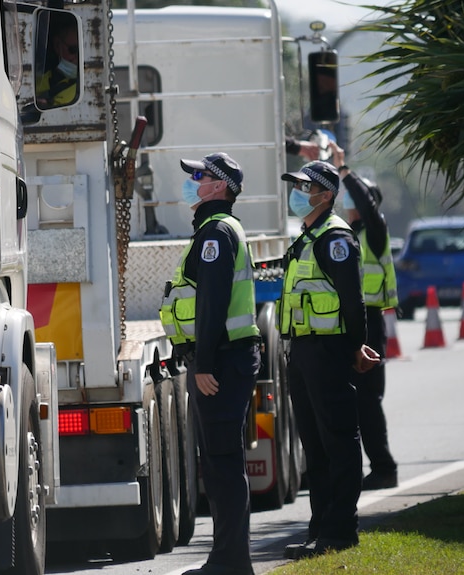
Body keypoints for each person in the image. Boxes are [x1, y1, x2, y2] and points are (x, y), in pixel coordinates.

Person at [159, 152, 260, 575]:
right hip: (223, 358)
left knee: (221, 462)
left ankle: (231, 561)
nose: (192, 181)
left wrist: (202, 364)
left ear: (219, 186)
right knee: (219, 462)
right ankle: (228, 558)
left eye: (199, 176)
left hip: (220, 361)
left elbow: (213, 302)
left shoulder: (216, 232)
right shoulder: (213, 229)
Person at [278, 160, 380, 560]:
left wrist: (357, 346)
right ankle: (320, 527)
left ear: (325, 194)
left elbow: (353, 301)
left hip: (328, 348)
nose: (298, 193)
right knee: (314, 444)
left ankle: (341, 530)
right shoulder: (307, 236)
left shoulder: (335, 237)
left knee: (337, 438)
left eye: (305, 187)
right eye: (297, 186)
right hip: (303, 350)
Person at [331, 145, 399, 490]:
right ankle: (369, 468)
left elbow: (368, 207)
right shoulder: (350, 236)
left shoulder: (375, 229)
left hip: (371, 321)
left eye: (352, 197)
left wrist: (344, 171)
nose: (347, 201)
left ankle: (384, 468)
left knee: (367, 400)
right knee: (357, 400)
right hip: (358, 319)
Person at [36, 19, 79, 109]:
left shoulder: (87, 86)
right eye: (73, 50)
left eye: (81, 51)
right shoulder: (37, 81)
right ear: (57, 45)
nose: (77, 57)